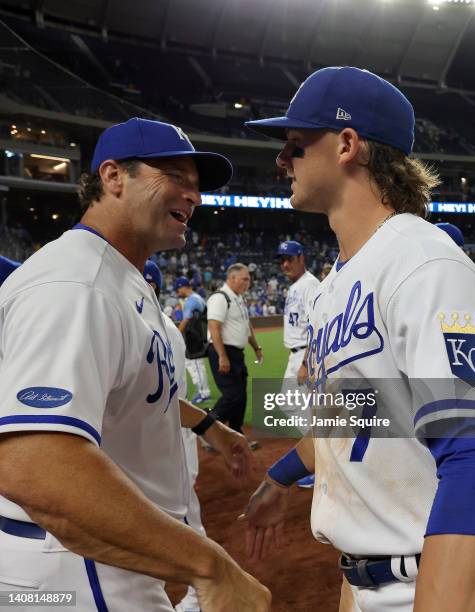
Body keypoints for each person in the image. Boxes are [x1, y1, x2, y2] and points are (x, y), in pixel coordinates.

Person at [240, 67, 475, 611]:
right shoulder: (336, 284)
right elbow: (357, 415)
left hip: (429, 581)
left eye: (294, 145)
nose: (281, 160)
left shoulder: (422, 263)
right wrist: (279, 478)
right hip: (365, 581)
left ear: (346, 145)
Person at [0, 117, 271, 612]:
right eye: (175, 177)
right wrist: (209, 566)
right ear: (112, 177)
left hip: (100, 553)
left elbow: (135, 391)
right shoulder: (76, 285)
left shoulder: (118, 278)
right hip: (74, 558)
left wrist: (211, 426)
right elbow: (34, 463)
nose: (194, 195)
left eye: (197, 186)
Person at [144, 260, 205, 612]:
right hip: (163, 438)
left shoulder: (162, 330)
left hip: (172, 438)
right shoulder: (150, 324)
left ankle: (198, 594)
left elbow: (169, 402)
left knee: (181, 516)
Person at [277, 240, 319, 488]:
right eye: (282, 260)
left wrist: (306, 362)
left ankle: (318, 459)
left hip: (304, 355)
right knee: (301, 407)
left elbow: (317, 324)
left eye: (289, 259)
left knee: (294, 404)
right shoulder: (296, 286)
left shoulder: (310, 285)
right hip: (297, 354)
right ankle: (320, 457)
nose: (285, 264)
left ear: (301, 258)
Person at [207, 263, 262, 443]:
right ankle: (208, 430)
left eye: (249, 279)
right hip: (223, 351)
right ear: (232, 278)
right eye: (244, 279)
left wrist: (256, 347)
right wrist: (222, 355)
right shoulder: (220, 298)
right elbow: (214, 327)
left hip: (237, 353)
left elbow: (247, 327)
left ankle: (236, 433)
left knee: (241, 395)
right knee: (232, 395)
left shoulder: (239, 298)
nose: (248, 282)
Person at [175, 276, 211, 403]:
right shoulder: (196, 298)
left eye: (178, 290)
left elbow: (185, 320)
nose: (177, 293)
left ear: (183, 287)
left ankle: (204, 393)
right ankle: (201, 390)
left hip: (195, 336)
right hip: (198, 335)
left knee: (196, 364)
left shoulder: (191, 300)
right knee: (192, 363)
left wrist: (176, 334)